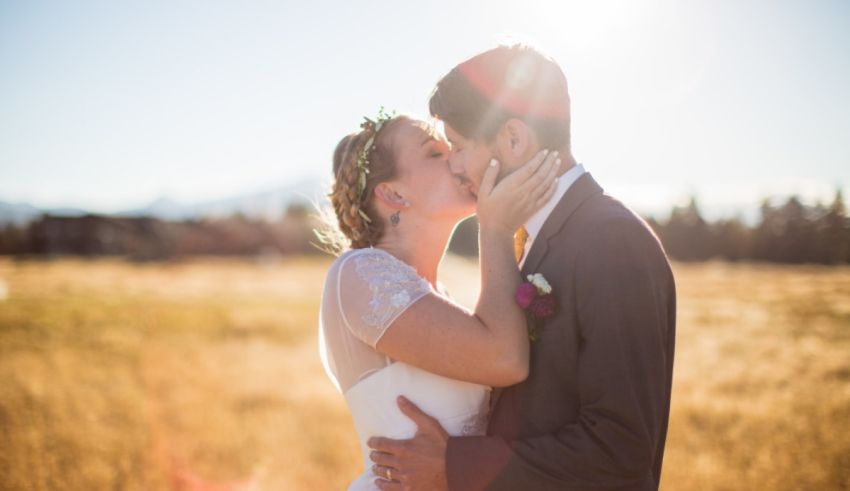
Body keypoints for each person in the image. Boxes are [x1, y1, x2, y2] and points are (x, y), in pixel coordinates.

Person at [367, 44, 677, 490]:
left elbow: (621, 449)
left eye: (457, 145)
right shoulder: (542, 236)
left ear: (513, 140)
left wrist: (454, 464)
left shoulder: (612, 241)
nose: (453, 166)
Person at [317, 109, 561, 490]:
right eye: (435, 153)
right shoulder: (359, 273)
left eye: (454, 148)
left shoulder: (441, 299)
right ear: (394, 193)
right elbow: (506, 360)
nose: (456, 159)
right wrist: (495, 227)